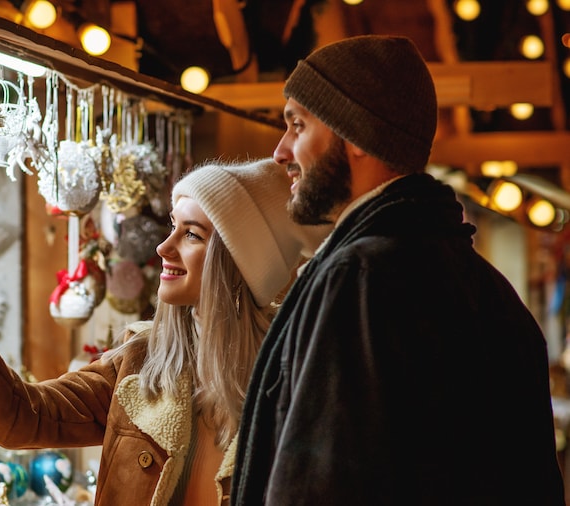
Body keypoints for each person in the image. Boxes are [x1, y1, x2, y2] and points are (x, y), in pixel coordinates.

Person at [0, 158, 331, 505]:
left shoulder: (296, 383)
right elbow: (20, 417)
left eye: (192, 234)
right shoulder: (142, 363)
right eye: (173, 226)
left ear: (240, 261)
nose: (163, 245)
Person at [229, 35, 565, 505]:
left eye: (297, 125)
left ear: (356, 136)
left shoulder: (358, 277)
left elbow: (318, 485)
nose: (281, 151)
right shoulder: (494, 292)